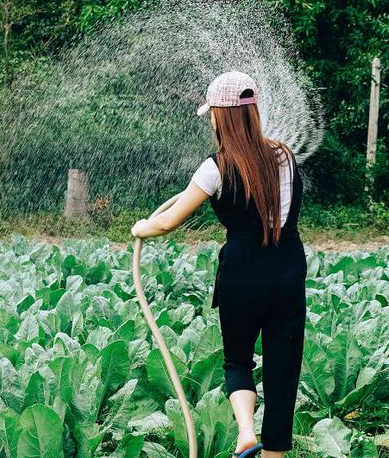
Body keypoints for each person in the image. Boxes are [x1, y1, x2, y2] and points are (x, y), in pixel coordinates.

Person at [131, 71, 307, 458]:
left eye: (212, 113)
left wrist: (141, 227)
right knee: (283, 367)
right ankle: (273, 455)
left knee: (237, 359)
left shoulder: (215, 167)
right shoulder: (285, 156)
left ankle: (246, 432)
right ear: (253, 112)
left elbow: (168, 220)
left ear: (221, 117)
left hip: (243, 272)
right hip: (287, 268)